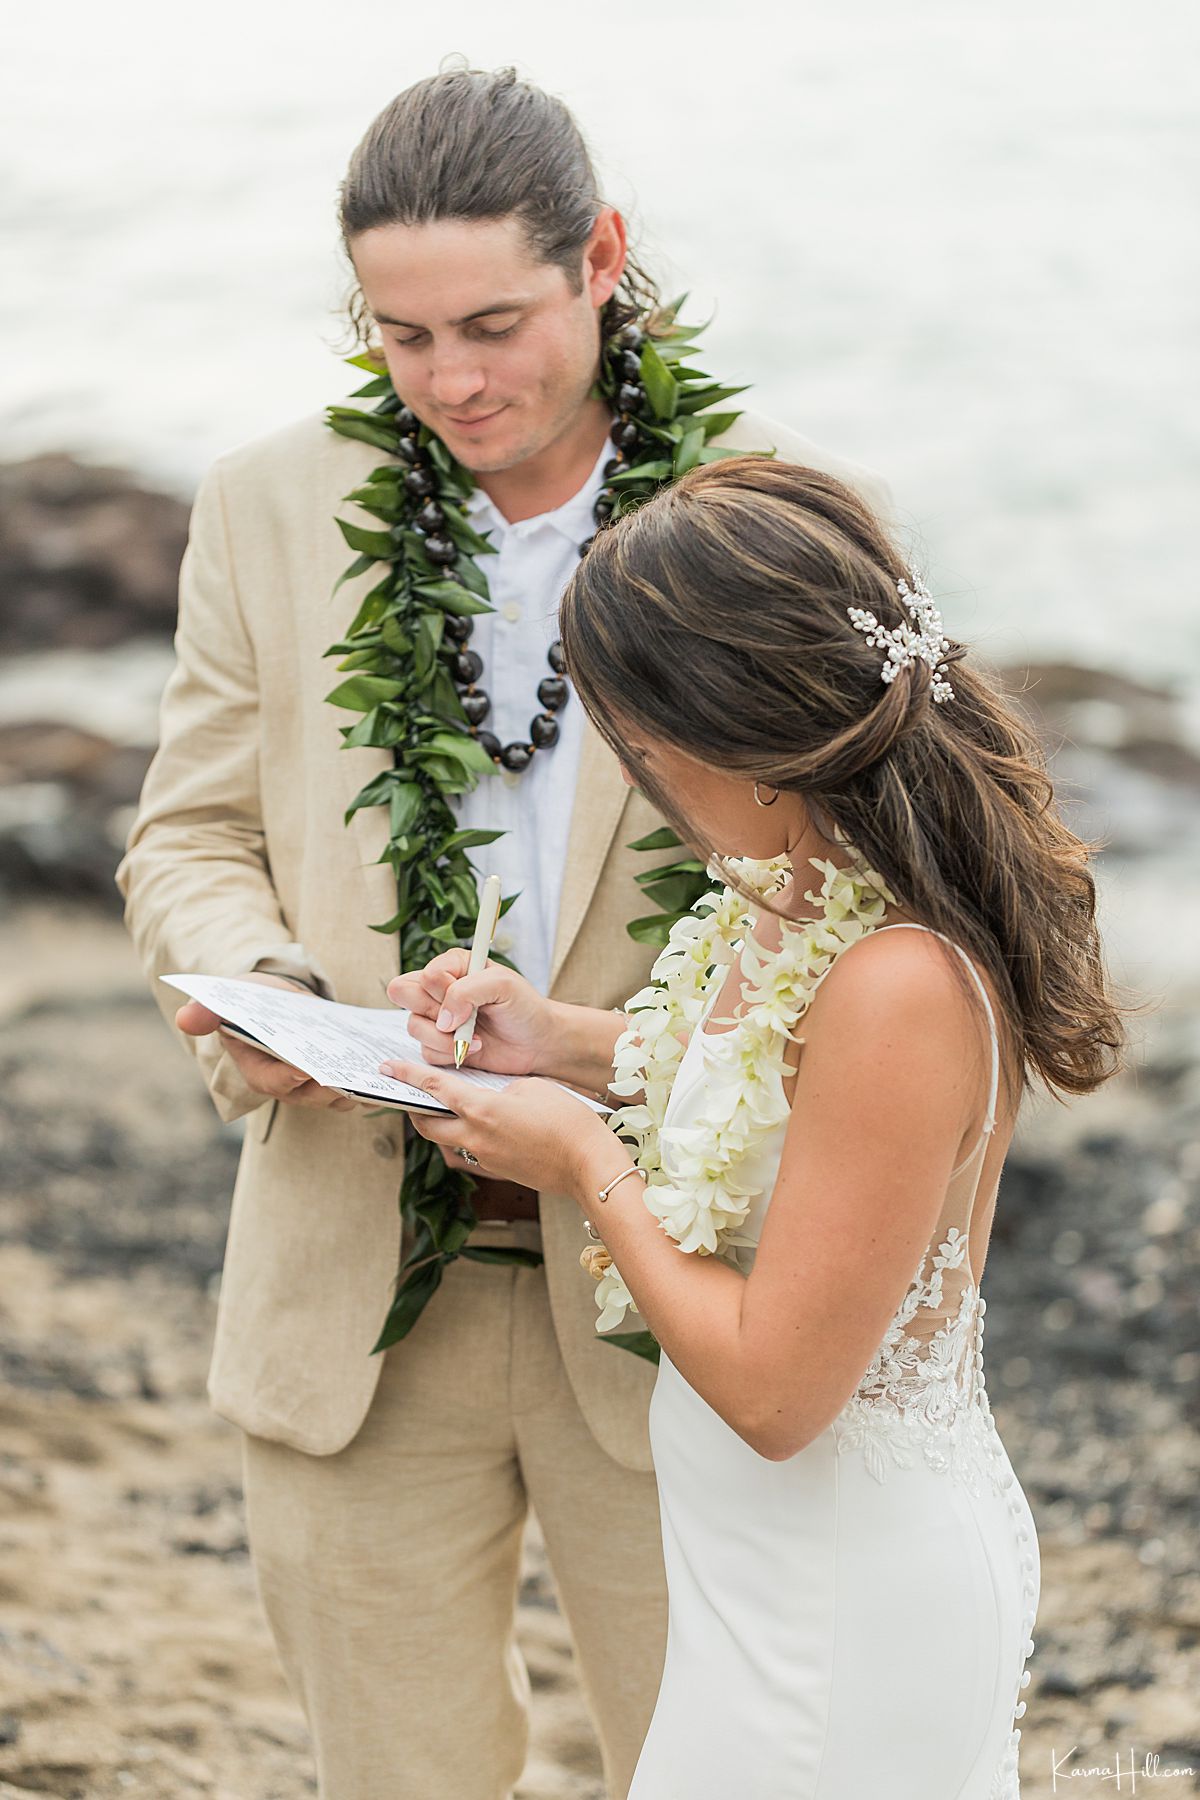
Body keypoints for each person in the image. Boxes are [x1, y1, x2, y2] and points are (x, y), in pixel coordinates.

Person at [114, 67, 894, 1800]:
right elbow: (189, 830)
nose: (453, 379)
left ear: (601, 258)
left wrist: (621, 1065)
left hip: (680, 1286)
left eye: (492, 322)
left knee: (718, 1768)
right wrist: (268, 988)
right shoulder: (264, 504)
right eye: (400, 336)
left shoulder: (770, 527)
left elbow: (874, 906)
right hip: (351, 1291)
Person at [380, 455, 1127, 1799]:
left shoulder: (898, 976)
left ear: (734, 727)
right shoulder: (796, 891)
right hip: (761, 1569)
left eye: (639, 743)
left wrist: (578, 1158)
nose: (640, 770)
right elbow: (786, 1105)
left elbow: (781, 1395)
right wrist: (556, 1039)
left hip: (843, 1588)